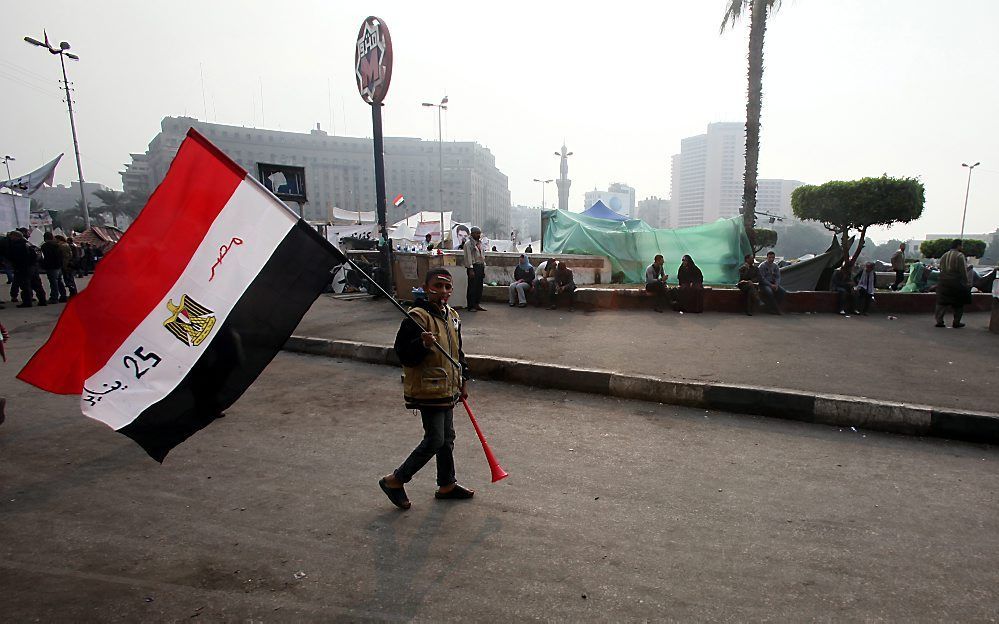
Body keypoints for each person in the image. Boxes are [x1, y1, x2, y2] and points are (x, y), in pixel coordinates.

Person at [379, 267, 473, 509]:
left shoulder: (452, 315)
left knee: (447, 438)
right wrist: (422, 344)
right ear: (425, 288)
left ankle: (447, 484)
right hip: (428, 388)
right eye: (437, 286)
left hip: (448, 386)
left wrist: (464, 378)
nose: (443, 291)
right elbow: (403, 353)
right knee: (434, 439)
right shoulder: (417, 317)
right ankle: (395, 480)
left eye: (447, 287)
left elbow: (457, 351)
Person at [935, 239, 971, 328]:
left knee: (942, 303)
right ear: (958, 246)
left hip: (943, 282)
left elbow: (941, 269)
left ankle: (939, 321)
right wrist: (966, 282)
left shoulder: (944, 255)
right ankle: (956, 322)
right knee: (958, 304)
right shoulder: (960, 256)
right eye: (961, 245)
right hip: (955, 282)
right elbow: (963, 271)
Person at [8, 231, 46, 308]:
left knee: (25, 285)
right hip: (33, 266)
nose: (11, 238)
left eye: (11, 237)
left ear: (16, 236)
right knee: (37, 284)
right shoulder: (28, 243)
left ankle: (27, 302)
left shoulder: (18, 245)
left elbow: (16, 257)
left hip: (23, 267)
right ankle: (42, 300)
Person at [462, 226, 487, 312]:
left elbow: (482, 256)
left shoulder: (480, 243)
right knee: (472, 287)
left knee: (479, 287)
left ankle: (477, 304)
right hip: (473, 267)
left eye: (479, 233)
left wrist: (483, 267)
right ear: (472, 234)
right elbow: (468, 257)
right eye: (476, 233)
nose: (478, 235)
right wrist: (470, 269)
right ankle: (471, 306)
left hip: (480, 266)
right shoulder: (468, 244)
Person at [40, 231, 67, 303]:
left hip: (50, 266)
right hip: (58, 266)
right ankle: (63, 295)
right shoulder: (57, 245)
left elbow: (43, 257)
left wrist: (43, 265)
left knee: (53, 282)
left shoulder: (44, 246)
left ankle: (54, 297)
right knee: (59, 281)